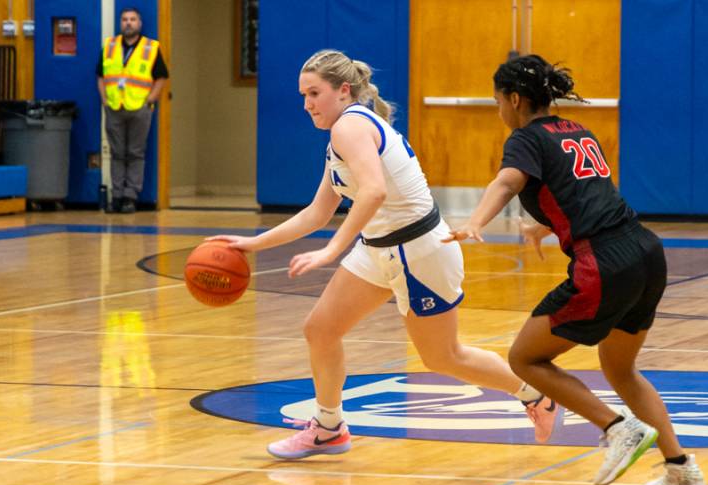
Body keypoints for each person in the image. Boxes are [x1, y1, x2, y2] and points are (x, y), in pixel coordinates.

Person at [208, 49, 558, 460]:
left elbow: (373, 191)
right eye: (303, 95)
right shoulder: (345, 129)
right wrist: (252, 244)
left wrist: (332, 250)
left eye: (314, 93)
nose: (307, 104)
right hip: (382, 248)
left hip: (418, 251)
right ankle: (328, 427)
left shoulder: (350, 127)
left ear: (343, 91)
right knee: (320, 329)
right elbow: (318, 212)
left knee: (444, 357)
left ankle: (536, 393)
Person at [445, 54, 707, 485]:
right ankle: (681, 469)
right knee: (621, 368)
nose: (499, 112)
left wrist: (476, 220)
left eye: (497, 103)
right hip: (645, 252)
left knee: (525, 359)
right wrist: (542, 225)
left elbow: (507, 183)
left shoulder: (525, 138)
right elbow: (587, 193)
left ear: (514, 99)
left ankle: (617, 428)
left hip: (604, 262)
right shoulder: (575, 131)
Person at [96, 7, 168, 214]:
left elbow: (161, 77)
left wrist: (150, 100)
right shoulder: (109, 46)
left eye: (132, 19)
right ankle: (116, 196)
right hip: (114, 106)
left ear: (140, 23)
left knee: (135, 153)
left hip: (139, 108)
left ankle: (130, 197)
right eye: (125, 19)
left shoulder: (150, 47)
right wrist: (104, 99)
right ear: (121, 23)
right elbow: (100, 75)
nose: (128, 23)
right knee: (117, 153)